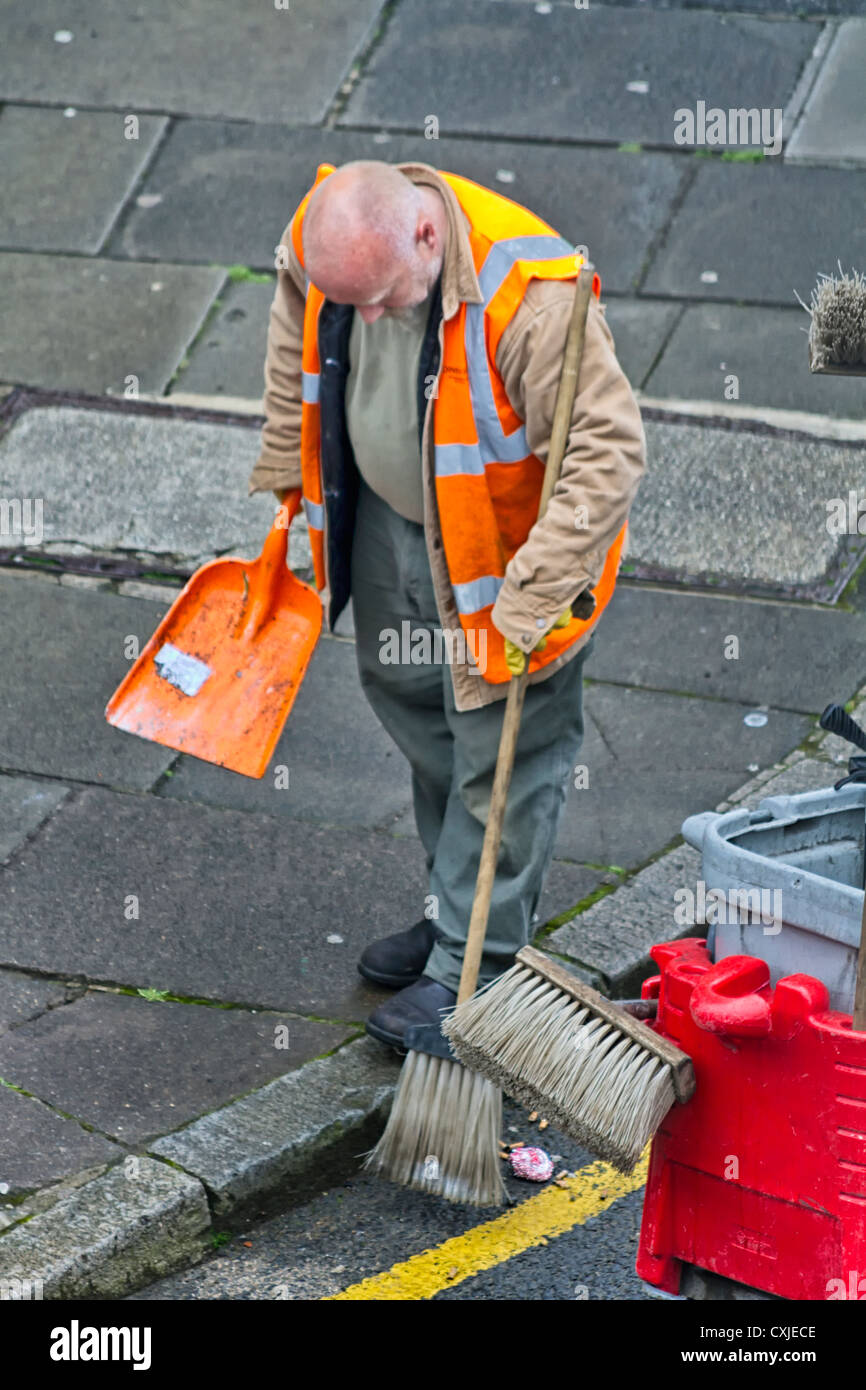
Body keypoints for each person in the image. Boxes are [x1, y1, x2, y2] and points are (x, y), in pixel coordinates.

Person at [248, 160, 645, 1048]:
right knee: (420, 712)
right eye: (353, 303)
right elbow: (293, 331)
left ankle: (482, 967)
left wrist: (526, 607)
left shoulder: (534, 300)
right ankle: (453, 914)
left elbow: (608, 456)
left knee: (504, 759)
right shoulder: (337, 244)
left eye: (385, 299)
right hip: (396, 525)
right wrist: (287, 468)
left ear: (426, 236)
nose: (370, 318)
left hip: (506, 564)